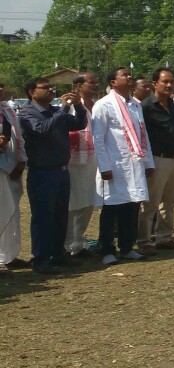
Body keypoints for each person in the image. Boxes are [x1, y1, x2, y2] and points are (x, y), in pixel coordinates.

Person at [19, 77, 88, 274]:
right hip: (42, 173)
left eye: (52, 87)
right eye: (45, 88)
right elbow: (42, 130)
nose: (51, 90)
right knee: (42, 217)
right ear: (32, 92)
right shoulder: (27, 113)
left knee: (59, 216)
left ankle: (58, 254)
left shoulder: (54, 111)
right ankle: (41, 258)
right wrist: (63, 110)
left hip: (61, 171)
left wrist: (78, 106)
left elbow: (79, 124)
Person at [92, 67, 155, 265]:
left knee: (132, 207)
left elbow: (143, 136)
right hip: (114, 165)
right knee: (112, 209)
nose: (129, 77)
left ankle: (127, 247)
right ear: (113, 82)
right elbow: (98, 139)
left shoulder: (135, 106)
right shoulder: (104, 105)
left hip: (135, 164)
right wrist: (104, 167)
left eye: (130, 74)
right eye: (124, 75)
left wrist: (149, 162)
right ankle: (107, 250)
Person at [138, 67, 174, 255]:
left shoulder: (172, 105)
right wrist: (147, 162)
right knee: (150, 203)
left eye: (171, 81)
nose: (169, 85)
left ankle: (164, 237)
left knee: (170, 201)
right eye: (165, 81)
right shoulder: (146, 107)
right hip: (157, 159)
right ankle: (143, 240)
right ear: (154, 84)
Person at [65, 72, 98, 256]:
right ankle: (67, 246)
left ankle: (78, 243)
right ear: (78, 86)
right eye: (91, 83)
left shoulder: (97, 105)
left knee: (88, 202)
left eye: (96, 83)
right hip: (73, 160)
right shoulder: (70, 106)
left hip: (93, 159)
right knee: (72, 203)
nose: (95, 85)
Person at [0, 83, 26, 275]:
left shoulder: (7, 110)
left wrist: (21, 161)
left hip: (11, 166)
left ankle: (9, 255)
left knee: (12, 211)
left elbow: (19, 137)